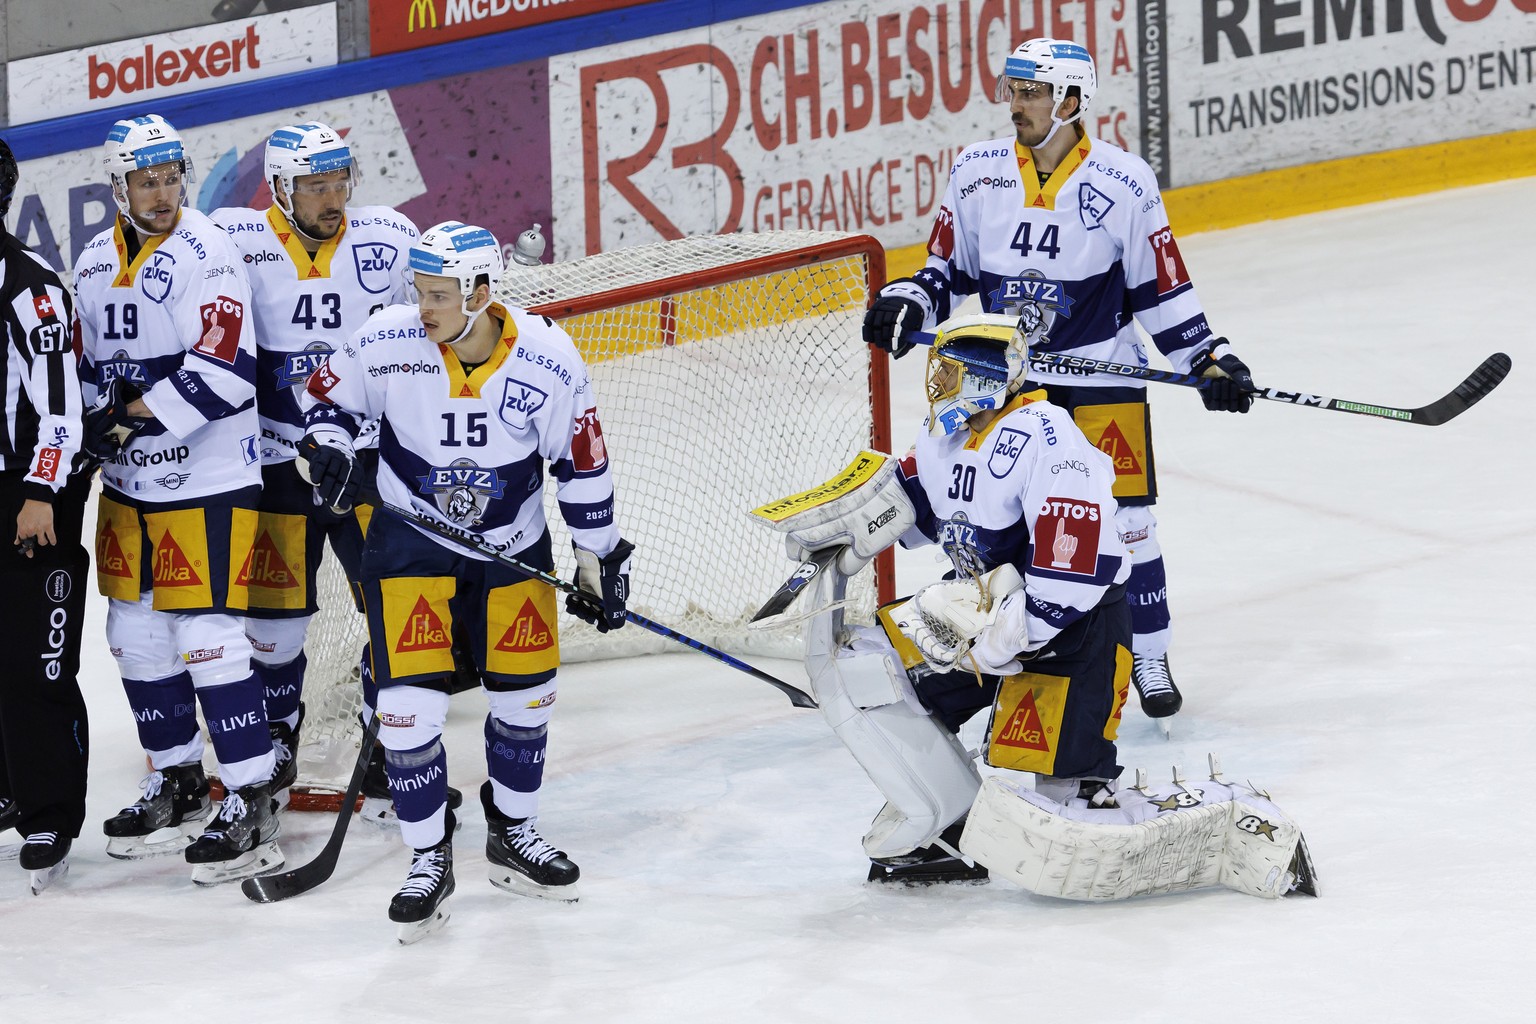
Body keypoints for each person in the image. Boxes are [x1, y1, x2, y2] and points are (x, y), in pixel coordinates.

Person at [862, 38, 1257, 724]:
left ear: (1071, 101)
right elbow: (945, 270)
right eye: (1012, 89)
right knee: (984, 516)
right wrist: (909, 301)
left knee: (1128, 523)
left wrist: (1208, 359)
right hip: (1001, 380)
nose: (1016, 104)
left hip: (1103, 374)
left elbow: (1160, 290)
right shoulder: (978, 172)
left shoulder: (1125, 182)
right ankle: (980, 658)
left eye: (1032, 92)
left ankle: (1149, 655)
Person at [298, 221, 633, 942]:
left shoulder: (548, 358)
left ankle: (515, 834)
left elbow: (582, 466)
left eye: (442, 295)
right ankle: (427, 859)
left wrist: (597, 558)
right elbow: (323, 400)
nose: (425, 307)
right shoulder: (387, 340)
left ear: (483, 292)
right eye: (420, 291)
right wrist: (328, 449)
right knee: (408, 714)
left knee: (527, 700)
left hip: (512, 550)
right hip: (410, 544)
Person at [761, 312, 1132, 883]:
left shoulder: (1052, 441)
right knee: (874, 672)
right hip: (981, 617)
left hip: (1071, 631)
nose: (937, 383)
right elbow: (910, 502)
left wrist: (1010, 639)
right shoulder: (945, 436)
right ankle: (948, 821)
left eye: (951, 372)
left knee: (1067, 811)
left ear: (986, 376)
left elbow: (1073, 571)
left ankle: (1094, 805)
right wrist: (846, 525)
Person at [73, 114, 282, 885]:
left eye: (171, 179)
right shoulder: (95, 261)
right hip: (131, 485)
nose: (163, 195)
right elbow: (91, 367)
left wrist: (128, 416)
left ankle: (254, 789)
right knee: (134, 634)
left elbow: (227, 374)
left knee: (209, 637)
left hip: (210, 478)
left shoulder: (208, 251)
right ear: (117, 187)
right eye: (146, 182)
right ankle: (178, 775)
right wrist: (94, 412)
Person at [211, 122, 421, 810]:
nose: (333, 199)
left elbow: (428, 330)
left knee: (398, 609)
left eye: (339, 183)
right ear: (279, 188)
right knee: (271, 632)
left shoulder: (387, 238)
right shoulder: (233, 241)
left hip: (365, 463)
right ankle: (275, 740)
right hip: (277, 467)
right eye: (315, 186)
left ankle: (384, 732)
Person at [0, 135, 91, 893]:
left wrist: (42, 495)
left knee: (38, 667)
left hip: (25, 498)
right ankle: (8, 786)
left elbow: (62, 412)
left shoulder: (32, 289)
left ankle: (50, 811)